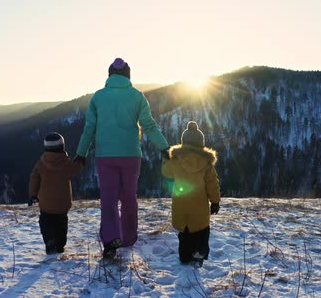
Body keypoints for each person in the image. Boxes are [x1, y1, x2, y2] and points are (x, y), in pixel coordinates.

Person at [74, 58, 170, 259]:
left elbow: (89, 129)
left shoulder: (98, 97)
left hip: (105, 155)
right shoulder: (137, 97)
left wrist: (80, 154)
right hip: (131, 154)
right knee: (129, 197)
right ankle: (128, 237)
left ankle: (110, 239)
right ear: (128, 75)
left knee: (108, 198)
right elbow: (149, 126)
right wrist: (164, 147)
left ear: (109, 75)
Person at [161, 121, 221, 266]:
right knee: (201, 232)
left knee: (184, 235)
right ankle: (199, 254)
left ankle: (185, 256)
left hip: (180, 207)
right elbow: (212, 184)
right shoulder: (207, 162)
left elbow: (166, 173)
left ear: (183, 141)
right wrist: (215, 202)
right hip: (199, 208)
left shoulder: (174, 160)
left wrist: (165, 159)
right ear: (201, 142)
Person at [29, 132, 83, 255]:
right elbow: (77, 169)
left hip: (45, 203)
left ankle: (49, 241)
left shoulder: (41, 163)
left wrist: (33, 194)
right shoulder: (67, 164)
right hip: (62, 204)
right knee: (61, 225)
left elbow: (34, 178)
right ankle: (60, 245)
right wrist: (80, 160)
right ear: (62, 147)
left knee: (46, 223)